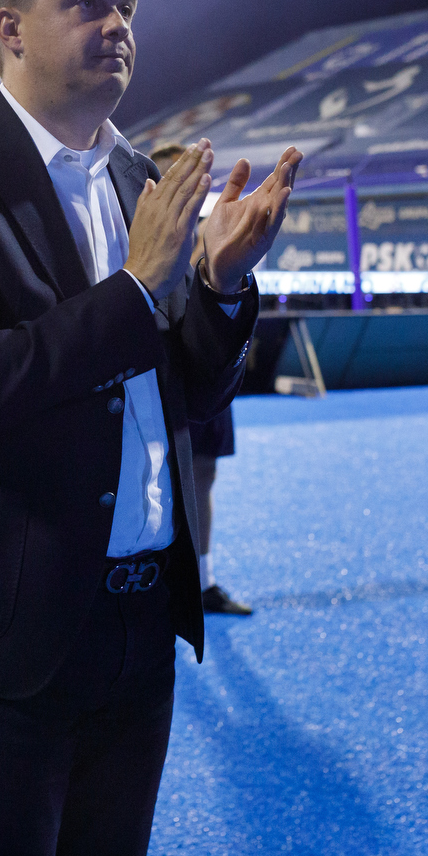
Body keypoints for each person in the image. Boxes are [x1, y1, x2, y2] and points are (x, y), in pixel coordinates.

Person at [0, 0, 301, 856]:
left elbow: (182, 395)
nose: (118, 25)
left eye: (127, 6)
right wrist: (137, 289)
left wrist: (221, 289)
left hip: (138, 635)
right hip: (0, 635)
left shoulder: (146, 179)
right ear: (10, 28)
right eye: (88, 2)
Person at [150, 142, 252, 615]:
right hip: (155, 381)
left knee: (204, 475)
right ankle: (156, 576)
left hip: (208, 377)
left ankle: (203, 581)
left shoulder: (219, 235)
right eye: (177, 175)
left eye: (195, 175)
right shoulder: (142, 238)